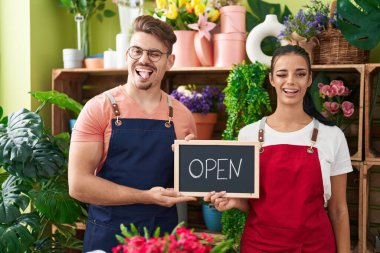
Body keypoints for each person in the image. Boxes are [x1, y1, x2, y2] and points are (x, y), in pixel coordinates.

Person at [68, 15, 197, 252]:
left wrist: (191, 160)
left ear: (170, 61)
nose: (144, 60)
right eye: (137, 51)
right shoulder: (99, 108)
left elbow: (188, 184)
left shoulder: (182, 116)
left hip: (161, 239)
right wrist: (145, 196)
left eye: (154, 54)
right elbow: (78, 185)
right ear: (128, 54)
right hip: (107, 237)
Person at [205, 45, 352, 253]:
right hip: (259, 246)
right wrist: (235, 201)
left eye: (300, 74)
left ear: (309, 79)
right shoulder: (248, 135)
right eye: (282, 74)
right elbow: (257, 205)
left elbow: (339, 210)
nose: (290, 81)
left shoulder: (332, 136)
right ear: (272, 79)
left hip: (314, 246)